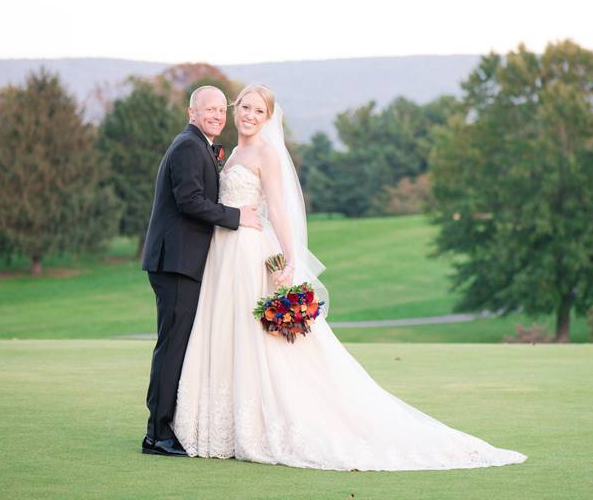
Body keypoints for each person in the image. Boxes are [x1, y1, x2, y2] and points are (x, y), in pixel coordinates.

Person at [170, 83, 527, 470]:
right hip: (224, 251)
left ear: (268, 118)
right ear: (235, 109)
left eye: (259, 111)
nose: (250, 116)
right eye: (246, 108)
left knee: (255, 337)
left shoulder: (268, 154)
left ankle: (260, 423)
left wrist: (289, 259)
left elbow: (281, 210)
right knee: (228, 330)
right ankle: (223, 424)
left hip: (248, 251)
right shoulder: (234, 151)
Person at [139, 85, 262, 457]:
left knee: (176, 343)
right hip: (176, 262)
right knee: (172, 345)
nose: (216, 115)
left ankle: (165, 426)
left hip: (182, 260)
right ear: (191, 113)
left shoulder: (197, 145)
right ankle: (157, 435)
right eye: (207, 109)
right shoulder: (189, 146)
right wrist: (237, 217)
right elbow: (190, 201)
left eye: (220, 110)